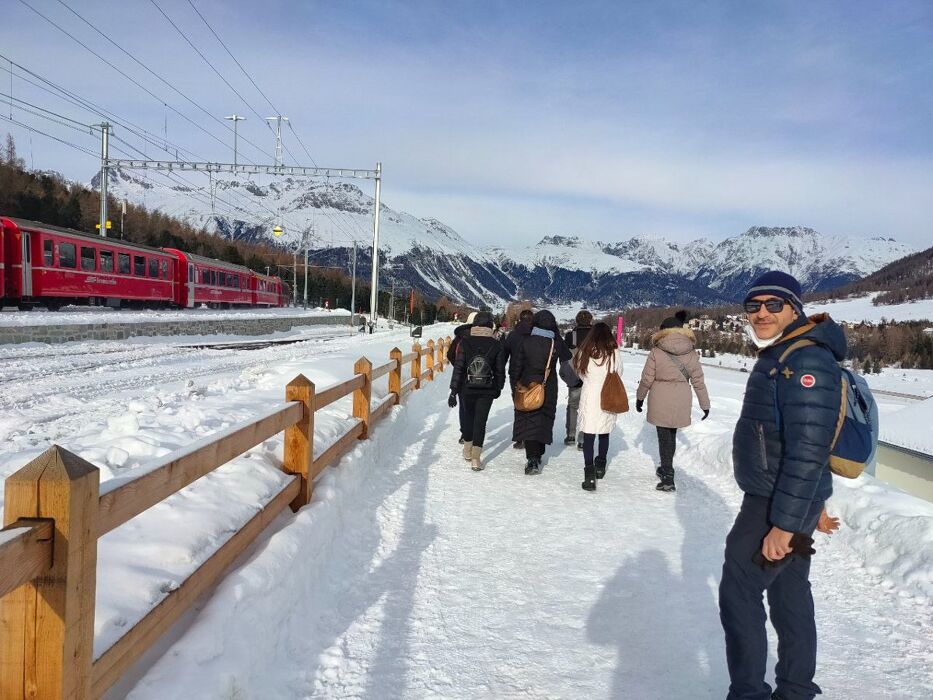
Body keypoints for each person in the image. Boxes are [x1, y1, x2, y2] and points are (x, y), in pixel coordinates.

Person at [719, 270, 845, 700]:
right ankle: (795, 690)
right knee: (790, 592)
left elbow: (808, 447)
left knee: (739, 593)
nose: (761, 314)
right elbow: (805, 437)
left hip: (773, 500)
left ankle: (750, 693)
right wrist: (815, 505)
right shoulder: (788, 353)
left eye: (774, 304)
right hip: (789, 496)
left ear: (795, 308)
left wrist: (786, 523)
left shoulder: (804, 360)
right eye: (753, 306)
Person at [634, 309, 710, 492]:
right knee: (672, 434)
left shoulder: (656, 351)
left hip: (660, 395)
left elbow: (646, 379)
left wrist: (640, 398)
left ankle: (667, 475)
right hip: (682, 396)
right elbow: (698, 380)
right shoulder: (691, 351)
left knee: (663, 436)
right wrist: (705, 405)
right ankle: (666, 467)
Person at [510, 309, 572, 474]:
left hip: (527, 384)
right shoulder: (556, 342)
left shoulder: (526, 340)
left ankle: (532, 457)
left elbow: (516, 366)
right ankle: (539, 453)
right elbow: (567, 364)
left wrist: (514, 385)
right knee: (544, 419)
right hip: (548, 386)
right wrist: (576, 382)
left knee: (528, 418)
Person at [448, 312, 506, 470]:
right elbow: (500, 370)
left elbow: (458, 368)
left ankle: (467, 450)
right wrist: (499, 387)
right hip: (487, 389)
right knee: (481, 422)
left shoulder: (466, 342)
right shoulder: (496, 344)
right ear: (490, 326)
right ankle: (476, 459)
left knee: (468, 418)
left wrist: (454, 390)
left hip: (467, 388)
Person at [572, 322, 622, 491]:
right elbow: (618, 371)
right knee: (604, 432)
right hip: (607, 394)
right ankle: (601, 464)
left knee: (588, 434)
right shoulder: (613, 351)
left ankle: (589, 473)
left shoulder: (585, 350)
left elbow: (579, 371)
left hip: (590, 395)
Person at [503, 308, 534, 449]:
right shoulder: (535, 335)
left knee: (519, 404)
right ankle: (531, 436)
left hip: (515, 375)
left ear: (520, 319)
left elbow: (503, 355)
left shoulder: (512, 336)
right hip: (533, 374)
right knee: (533, 404)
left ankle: (519, 437)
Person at [563, 309, 594, 448]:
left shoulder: (570, 336)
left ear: (576, 321)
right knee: (587, 408)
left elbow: (564, 356)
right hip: (592, 377)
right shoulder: (596, 336)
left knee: (573, 405)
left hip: (574, 376)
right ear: (590, 321)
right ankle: (582, 439)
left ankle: (570, 435)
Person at [447, 311, 477, 444]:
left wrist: (458, 365)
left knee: (464, 407)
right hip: (481, 377)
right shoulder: (485, 335)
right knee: (478, 405)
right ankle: (475, 432)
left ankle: (465, 433)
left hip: (463, 377)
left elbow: (450, 354)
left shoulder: (460, 337)